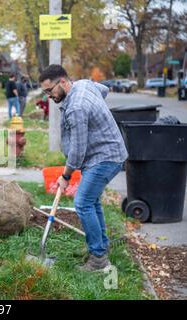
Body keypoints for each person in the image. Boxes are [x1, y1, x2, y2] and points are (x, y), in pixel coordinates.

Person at [38, 64, 128, 272]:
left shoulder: (77, 107)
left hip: (104, 158)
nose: (48, 96)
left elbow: (77, 151)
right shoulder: (84, 85)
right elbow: (103, 90)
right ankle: (101, 247)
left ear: (62, 82)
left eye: (49, 90)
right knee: (91, 200)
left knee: (83, 202)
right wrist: (96, 114)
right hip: (104, 154)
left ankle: (98, 259)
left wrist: (66, 176)